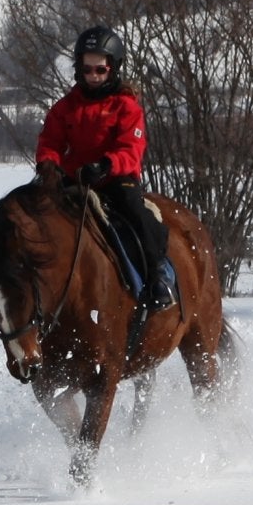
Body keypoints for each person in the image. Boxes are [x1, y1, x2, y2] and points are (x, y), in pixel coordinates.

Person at [35, 25, 177, 314]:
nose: (93, 76)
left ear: (112, 69)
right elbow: (49, 141)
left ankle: (158, 275)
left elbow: (130, 149)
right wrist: (49, 164)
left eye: (100, 70)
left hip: (116, 179)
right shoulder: (64, 108)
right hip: (74, 181)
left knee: (136, 212)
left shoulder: (127, 107)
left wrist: (105, 166)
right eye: (87, 70)